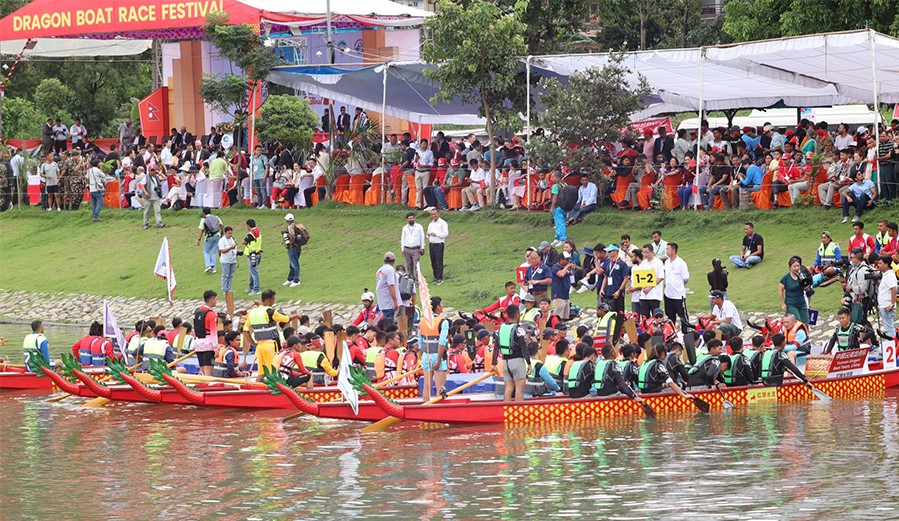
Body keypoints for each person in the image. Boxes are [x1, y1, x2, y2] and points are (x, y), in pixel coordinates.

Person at [243, 289, 299, 382]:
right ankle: (274, 392)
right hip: (271, 346)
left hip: (260, 346)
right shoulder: (270, 311)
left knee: (261, 373)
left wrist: (253, 343)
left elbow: (245, 330)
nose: (274, 302)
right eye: (273, 300)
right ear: (268, 300)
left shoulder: (252, 312)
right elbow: (285, 319)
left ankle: (256, 391)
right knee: (274, 371)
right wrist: (296, 315)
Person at [494, 304, 529, 402]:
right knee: (519, 389)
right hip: (517, 362)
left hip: (506, 363)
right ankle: (519, 413)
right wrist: (529, 363)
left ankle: (506, 411)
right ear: (517, 314)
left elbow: (496, 347)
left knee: (508, 388)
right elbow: (524, 348)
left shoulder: (501, 328)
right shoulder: (519, 329)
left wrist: (493, 364)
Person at [420, 296, 450, 401]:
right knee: (440, 388)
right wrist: (438, 360)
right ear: (437, 307)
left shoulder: (422, 321)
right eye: (441, 304)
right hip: (438, 356)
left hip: (426, 355)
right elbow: (442, 342)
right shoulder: (443, 322)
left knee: (426, 386)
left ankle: (425, 410)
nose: (442, 306)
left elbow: (420, 342)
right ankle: (438, 413)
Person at [663, 242, 691, 334]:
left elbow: (685, 278)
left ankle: (685, 333)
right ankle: (672, 333)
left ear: (674, 250)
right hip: (668, 294)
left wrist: (680, 286)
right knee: (670, 316)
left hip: (678, 295)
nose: (666, 251)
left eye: (668, 249)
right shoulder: (666, 262)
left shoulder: (681, 263)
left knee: (682, 315)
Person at [192, 290, 219, 376]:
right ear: (212, 300)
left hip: (199, 345)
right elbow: (214, 333)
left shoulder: (197, 312)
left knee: (202, 370)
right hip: (208, 345)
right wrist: (216, 349)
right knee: (208, 373)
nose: (216, 301)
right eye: (216, 299)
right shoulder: (212, 315)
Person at [779, 256, 811, 325]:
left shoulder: (803, 276)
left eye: (798, 266)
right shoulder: (786, 278)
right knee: (797, 322)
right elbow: (780, 290)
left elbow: (808, 290)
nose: (796, 268)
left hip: (801, 302)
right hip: (791, 303)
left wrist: (805, 284)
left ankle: (806, 335)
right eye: (794, 266)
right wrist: (783, 303)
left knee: (805, 322)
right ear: (790, 267)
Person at [600, 244, 630, 314]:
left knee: (619, 313)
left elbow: (626, 278)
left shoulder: (622, 264)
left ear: (615, 251)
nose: (608, 253)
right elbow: (605, 276)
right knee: (607, 312)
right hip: (607, 292)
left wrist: (619, 291)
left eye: (610, 251)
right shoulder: (608, 264)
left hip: (617, 293)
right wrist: (602, 288)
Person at [282, 213, 307, 288]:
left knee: (294, 264)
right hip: (298, 247)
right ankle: (290, 278)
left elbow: (292, 236)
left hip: (293, 248)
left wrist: (290, 244)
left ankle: (296, 280)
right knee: (292, 264)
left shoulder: (290, 227)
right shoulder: (297, 226)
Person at [877, 254, 898, 341]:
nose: (878, 265)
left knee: (889, 328)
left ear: (886, 264)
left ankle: (893, 345)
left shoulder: (889, 275)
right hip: (884, 305)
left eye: (880, 263)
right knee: (888, 326)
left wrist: (891, 305)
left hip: (887, 306)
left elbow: (894, 290)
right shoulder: (886, 275)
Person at [196, 207, 222, 274]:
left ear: (203, 213)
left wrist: (199, 239)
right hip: (217, 236)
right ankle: (214, 268)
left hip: (209, 237)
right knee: (213, 252)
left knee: (206, 251)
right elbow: (222, 225)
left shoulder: (204, 220)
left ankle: (208, 265)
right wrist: (222, 234)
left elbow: (201, 230)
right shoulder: (216, 217)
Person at [376, 252, 400, 321]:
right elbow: (391, 286)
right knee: (390, 324)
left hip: (382, 302)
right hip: (389, 302)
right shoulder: (390, 269)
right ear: (394, 261)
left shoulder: (379, 270)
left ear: (384, 261)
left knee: (387, 322)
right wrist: (395, 301)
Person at [426, 207, 448, 285]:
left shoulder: (442, 223)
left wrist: (436, 234)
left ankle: (439, 277)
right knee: (433, 261)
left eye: (435, 214)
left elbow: (445, 234)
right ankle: (435, 276)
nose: (433, 216)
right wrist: (428, 234)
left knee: (439, 261)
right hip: (431, 244)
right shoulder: (431, 224)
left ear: (438, 213)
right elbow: (427, 234)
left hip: (439, 244)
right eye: (432, 214)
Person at [401, 212, 426, 278]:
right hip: (407, 249)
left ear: (414, 218)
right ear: (407, 219)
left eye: (412, 218)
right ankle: (411, 280)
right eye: (409, 218)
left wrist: (422, 247)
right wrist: (402, 249)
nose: (411, 219)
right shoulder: (405, 228)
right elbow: (403, 239)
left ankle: (419, 279)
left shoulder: (419, 226)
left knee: (416, 265)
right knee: (409, 265)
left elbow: (422, 237)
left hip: (416, 249)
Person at [551, 252, 574, 320]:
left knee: (565, 315)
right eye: (566, 259)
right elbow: (561, 275)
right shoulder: (556, 267)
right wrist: (567, 267)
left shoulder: (566, 268)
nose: (568, 261)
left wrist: (572, 270)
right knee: (558, 315)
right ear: (561, 259)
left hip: (566, 294)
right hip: (558, 295)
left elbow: (572, 278)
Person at [242, 219, 262, 296]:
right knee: (252, 272)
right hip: (258, 253)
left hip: (253, 255)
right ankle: (251, 286)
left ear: (248, 225)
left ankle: (256, 289)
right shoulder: (258, 231)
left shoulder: (252, 233)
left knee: (254, 272)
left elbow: (244, 242)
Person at [84, 158, 107, 222]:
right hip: (97, 188)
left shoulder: (89, 170)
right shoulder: (97, 170)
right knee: (100, 202)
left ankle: (94, 215)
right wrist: (101, 168)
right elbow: (103, 175)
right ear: (98, 164)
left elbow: (86, 177)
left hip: (91, 188)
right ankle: (96, 215)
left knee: (94, 203)